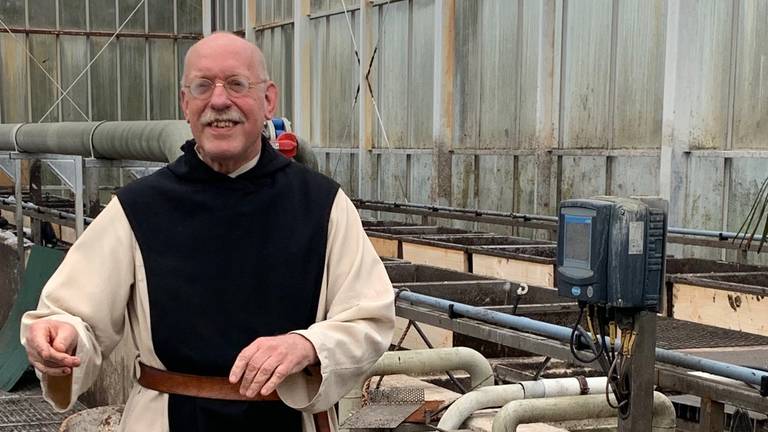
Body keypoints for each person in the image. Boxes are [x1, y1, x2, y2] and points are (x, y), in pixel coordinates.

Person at [20, 32, 395, 432]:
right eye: (203, 86)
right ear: (186, 104)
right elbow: (76, 316)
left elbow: (368, 319)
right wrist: (61, 335)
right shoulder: (137, 209)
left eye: (236, 84)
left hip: (287, 418)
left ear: (268, 100)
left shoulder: (322, 206)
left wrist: (308, 345)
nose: (219, 101)